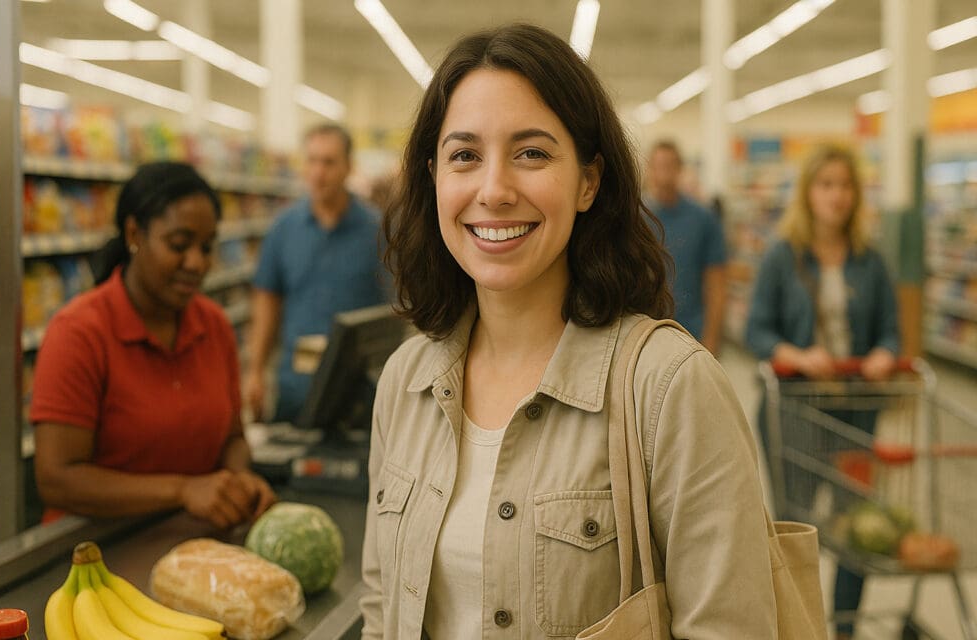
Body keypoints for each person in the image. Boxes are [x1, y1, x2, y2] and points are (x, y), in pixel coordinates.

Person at [361, 24, 779, 639]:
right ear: (433, 177)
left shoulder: (668, 389)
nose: (495, 190)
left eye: (532, 153)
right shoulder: (405, 383)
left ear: (588, 181)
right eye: (464, 155)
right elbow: (381, 609)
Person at [31, 161, 276, 530]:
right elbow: (57, 479)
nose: (196, 262)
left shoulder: (214, 326)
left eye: (207, 247)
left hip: (193, 541)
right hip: (94, 554)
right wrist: (182, 490)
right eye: (179, 245)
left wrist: (236, 479)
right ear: (134, 234)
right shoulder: (79, 332)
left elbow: (233, 439)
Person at [745, 144, 899, 639]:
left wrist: (883, 354)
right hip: (795, 413)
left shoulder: (871, 262)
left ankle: (847, 629)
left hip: (857, 411)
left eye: (845, 185)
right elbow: (757, 332)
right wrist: (795, 355)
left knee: (857, 528)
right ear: (808, 193)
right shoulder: (780, 256)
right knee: (799, 528)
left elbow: (890, 332)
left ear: (857, 195)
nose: (836, 195)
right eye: (826, 184)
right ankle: (802, 627)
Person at [246, 123, 388, 423]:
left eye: (329, 162)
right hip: (297, 386)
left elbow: (396, 309)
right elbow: (266, 302)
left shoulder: (377, 232)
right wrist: (255, 371)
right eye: (311, 160)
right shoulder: (283, 229)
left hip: (359, 390)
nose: (318, 172)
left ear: (349, 166)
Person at [645, 140, 727, 355]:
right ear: (649, 170)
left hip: (693, 334)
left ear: (680, 169)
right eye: (658, 166)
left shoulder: (704, 219)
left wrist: (711, 340)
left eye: (669, 166)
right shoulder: (636, 219)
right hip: (646, 334)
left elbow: (716, 283)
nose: (664, 174)